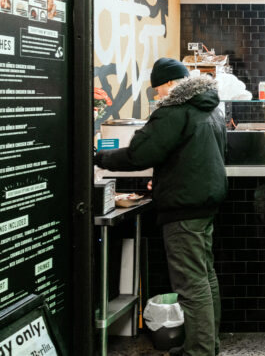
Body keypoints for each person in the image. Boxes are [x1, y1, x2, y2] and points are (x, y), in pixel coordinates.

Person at [94, 58, 227, 356]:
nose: (157, 96)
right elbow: (199, 154)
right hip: (205, 201)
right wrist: (169, 178)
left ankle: (200, 352)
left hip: (184, 206)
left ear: (168, 83)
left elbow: (140, 153)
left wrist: (100, 158)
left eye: (156, 90)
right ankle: (207, 344)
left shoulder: (174, 111)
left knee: (191, 285)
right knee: (205, 277)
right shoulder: (212, 107)